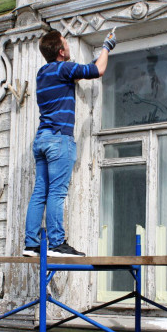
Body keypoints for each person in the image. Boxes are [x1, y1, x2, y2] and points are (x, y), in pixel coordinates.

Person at [22, 28, 117, 257]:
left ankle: (31, 244)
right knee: (56, 192)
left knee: (39, 193)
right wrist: (107, 46)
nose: (69, 47)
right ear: (62, 51)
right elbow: (98, 70)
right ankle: (56, 243)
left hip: (42, 139)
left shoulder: (43, 73)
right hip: (59, 139)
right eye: (66, 44)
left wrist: (93, 61)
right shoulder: (64, 68)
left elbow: (83, 71)